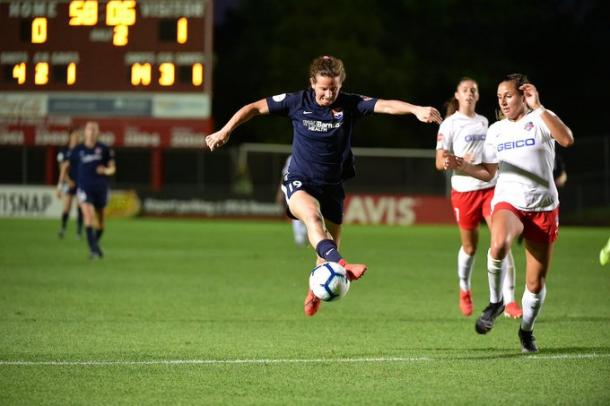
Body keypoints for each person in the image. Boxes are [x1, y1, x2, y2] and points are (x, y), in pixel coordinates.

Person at [205, 55, 442, 316]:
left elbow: (385, 105)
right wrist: (225, 131)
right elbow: (253, 108)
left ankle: (315, 289)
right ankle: (344, 265)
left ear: (341, 84)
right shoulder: (297, 102)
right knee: (313, 220)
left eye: (334, 88)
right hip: (300, 181)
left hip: (332, 186)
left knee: (326, 247)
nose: (328, 94)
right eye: (323, 88)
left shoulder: (349, 104)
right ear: (312, 83)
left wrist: (415, 109)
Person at [444, 73, 574, 352]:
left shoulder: (541, 118)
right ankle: (496, 302)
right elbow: (489, 173)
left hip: (543, 207)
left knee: (535, 285)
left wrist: (538, 106)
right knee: (499, 242)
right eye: (500, 97)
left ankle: (526, 330)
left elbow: (567, 140)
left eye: (509, 95)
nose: (503, 101)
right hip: (509, 201)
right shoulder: (496, 130)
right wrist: (462, 166)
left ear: (524, 94)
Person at [436, 77, 522, 319]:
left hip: (490, 188)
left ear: (478, 95)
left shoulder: (485, 122)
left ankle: (510, 300)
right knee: (470, 247)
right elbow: (439, 161)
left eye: (474, 90)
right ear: (458, 95)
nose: (470, 93)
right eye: (465, 90)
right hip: (463, 192)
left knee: (501, 240)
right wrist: (449, 162)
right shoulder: (449, 125)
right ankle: (465, 289)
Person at [66, 121, 116, 259]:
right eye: (89, 129)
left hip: (100, 189)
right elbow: (66, 166)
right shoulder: (77, 150)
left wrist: (105, 170)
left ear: (98, 132)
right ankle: (93, 250)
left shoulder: (104, 149)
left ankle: (95, 246)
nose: (92, 131)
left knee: (100, 224)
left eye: (95, 129)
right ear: (85, 132)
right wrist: (63, 182)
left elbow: (112, 168)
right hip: (83, 188)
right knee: (88, 216)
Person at [56, 128, 83, 239]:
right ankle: (63, 228)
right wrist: (65, 182)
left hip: (81, 182)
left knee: (80, 207)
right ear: (70, 136)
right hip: (69, 182)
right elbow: (62, 168)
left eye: (78, 135)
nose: (76, 137)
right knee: (67, 207)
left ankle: (79, 231)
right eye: (74, 135)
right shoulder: (64, 150)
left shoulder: (82, 150)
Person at [276, 155, 308, 247]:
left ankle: (305, 233)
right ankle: (299, 236)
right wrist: (280, 192)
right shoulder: (291, 158)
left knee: (307, 212)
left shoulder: (312, 155)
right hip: (293, 188)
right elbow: (285, 176)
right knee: (295, 211)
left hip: (308, 187)